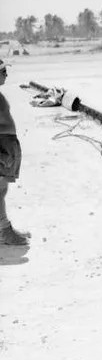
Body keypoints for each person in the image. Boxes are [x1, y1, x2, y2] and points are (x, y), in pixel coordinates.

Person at [0, 60, 31, 246]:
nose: (6, 74)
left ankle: (3, 229)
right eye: (3, 71)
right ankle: (4, 232)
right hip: (2, 147)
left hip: (6, 146)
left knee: (1, 190)